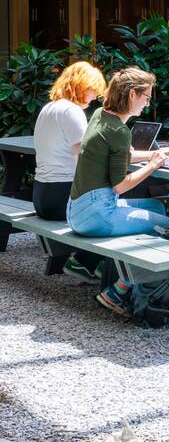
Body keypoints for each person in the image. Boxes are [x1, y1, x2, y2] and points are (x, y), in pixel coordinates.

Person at [67, 67, 169, 316]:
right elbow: (121, 185)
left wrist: (157, 153)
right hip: (98, 214)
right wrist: (154, 165)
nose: (148, 102)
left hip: (78, 208)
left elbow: (124, 155)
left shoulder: (100, 115)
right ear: (132, 94)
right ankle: (118, 291)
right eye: (147, 97)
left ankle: (119, 274)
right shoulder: (119, 132)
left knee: (158, 208)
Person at [33, 61, 107, 281]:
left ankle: (95, 263)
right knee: (112, 205)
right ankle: (88, 263)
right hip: (60, 196)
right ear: (81, 86)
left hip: (42, 194)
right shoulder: (71, 110)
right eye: (94, 90)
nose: (95, 97)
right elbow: (86, 149)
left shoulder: (49, 108)